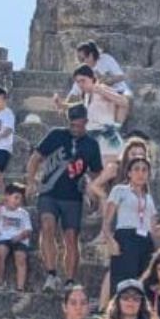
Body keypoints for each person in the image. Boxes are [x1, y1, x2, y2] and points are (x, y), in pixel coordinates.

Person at [26, 104, 105, 288]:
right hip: (49, 192)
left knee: (71, 237)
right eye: (72, 124)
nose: (74, 128)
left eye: (78, 124)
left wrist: (95, 193)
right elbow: (35, 158)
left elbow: (97, 174)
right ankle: (51, 274)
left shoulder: (91, 145)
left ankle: (69, 280)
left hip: (73, 196)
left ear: (86, 122)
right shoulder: (56, 135)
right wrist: (30, 181)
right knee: (47, 226)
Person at [96, 160, 160, 299]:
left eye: (144, 170)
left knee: (145, 282)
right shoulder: (120, 190)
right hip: (126, 238)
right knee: (123, 282)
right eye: (136, 169)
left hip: (145, 241)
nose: (140, 173)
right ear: (129, 173)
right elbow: (106, 222)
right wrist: (111, 241)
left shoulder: (149, 198)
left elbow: (155, 231)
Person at [66, 65, 128, 158]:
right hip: (92, 138)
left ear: (91, 78)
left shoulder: (101, 88)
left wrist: (101, 91)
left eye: (83, 80)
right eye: (78, 82)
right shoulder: (86, 95)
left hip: (106, 139)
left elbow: (124, 102)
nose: (80, 84)